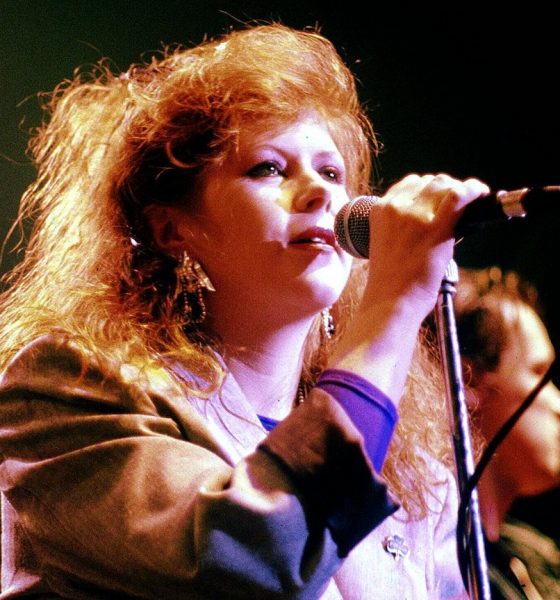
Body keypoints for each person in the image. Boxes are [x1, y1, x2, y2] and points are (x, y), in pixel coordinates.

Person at [0, 22, 489, 599]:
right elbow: (249, 560)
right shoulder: (70, 387)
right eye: (269, 169)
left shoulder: (412, 458)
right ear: (171, 228)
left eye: (331, 172)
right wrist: (394, 307)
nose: (320, 193)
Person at [454, 266, 560, 599]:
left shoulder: (535, 555)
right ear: (468, 380)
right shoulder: (442, 567)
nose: (558, 404)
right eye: (538, 371)